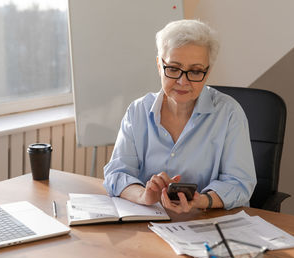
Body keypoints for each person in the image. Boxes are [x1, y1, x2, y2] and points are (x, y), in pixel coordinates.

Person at [103, 19, 256, 213]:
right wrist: (143, 195)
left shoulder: (229, 114)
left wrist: (200, 201)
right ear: (159, 65)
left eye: (195, 71)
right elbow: (117, 174)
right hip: (150, 222)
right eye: (174, 69)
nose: (183, 81)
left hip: (209, 224)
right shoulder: (138, 111)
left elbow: (240, 184)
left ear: (207, 72)